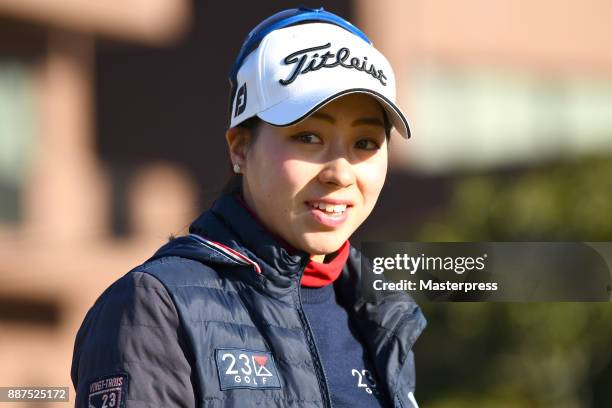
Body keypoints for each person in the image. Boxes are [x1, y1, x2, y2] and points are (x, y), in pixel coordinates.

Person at [71, 7, 426, 408]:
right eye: (308, 136)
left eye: (365, 143)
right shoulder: (156, 305)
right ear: (240, 148)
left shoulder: (384, 315)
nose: (340, 173)